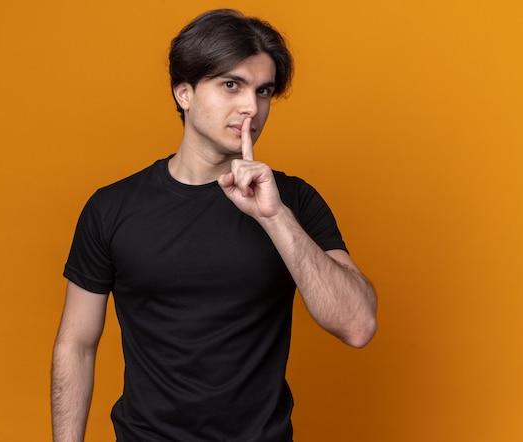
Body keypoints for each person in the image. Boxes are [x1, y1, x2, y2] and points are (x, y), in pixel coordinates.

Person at [51, 8, 377, 442]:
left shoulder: (293, 201)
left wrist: (276, 217)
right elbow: (76, 345)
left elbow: (357, 326)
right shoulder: (111, 208)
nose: (251, 107)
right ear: (184, 93)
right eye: (231, 85)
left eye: (263, 91)